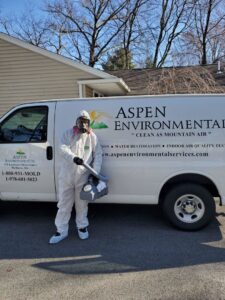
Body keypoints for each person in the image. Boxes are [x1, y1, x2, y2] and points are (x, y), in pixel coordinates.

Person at [49, 110, 102, 244]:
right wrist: (74, 158)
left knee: (82, 204)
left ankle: (82, 227)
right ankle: (61, 230)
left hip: (83, 176)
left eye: (85, 122)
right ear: (76, 122)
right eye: (81, 121)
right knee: (64, 204)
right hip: (66, 175)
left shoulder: (92, 137)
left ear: (89, 123)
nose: (83, 125)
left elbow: (98, 155)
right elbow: (62, 148)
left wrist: (95, 172)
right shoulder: (68, 134)